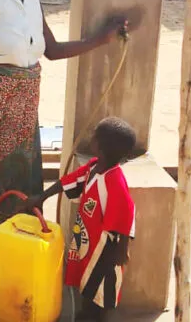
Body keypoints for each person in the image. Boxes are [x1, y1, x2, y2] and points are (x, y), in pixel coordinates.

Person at [0, 0, 130, 291]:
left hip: (27, 105)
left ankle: (16, 251)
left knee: (24, 183)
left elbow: (52, 51)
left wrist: (101, 39)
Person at [25, 117, 137, 322]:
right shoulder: (94, 167)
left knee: (99, 287)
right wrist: (41, 197)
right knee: (86, 282)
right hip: (88, 239)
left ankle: (94, 317)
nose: (91, 136)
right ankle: (86, 314)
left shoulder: (114, 181)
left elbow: (126, 214)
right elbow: (68, 182)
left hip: (105, 249)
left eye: (95, 135)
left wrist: (123, 250)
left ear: (100, 148)